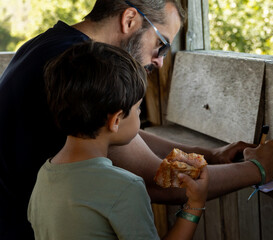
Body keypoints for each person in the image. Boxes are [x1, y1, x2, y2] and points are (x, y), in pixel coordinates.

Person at [0, 0, 273, 239]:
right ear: (130, 19)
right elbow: (159, 179)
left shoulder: (55, 50)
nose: (160, 61)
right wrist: (258, 169)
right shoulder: (71, 60)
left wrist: (209, 154)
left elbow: (118, 133)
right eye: (161, 45)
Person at [28, 40, 208, 240]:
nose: (139, 113)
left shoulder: (43, 179)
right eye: (138, 108)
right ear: (116, 120)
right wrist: (194, 205)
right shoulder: (125, 188)